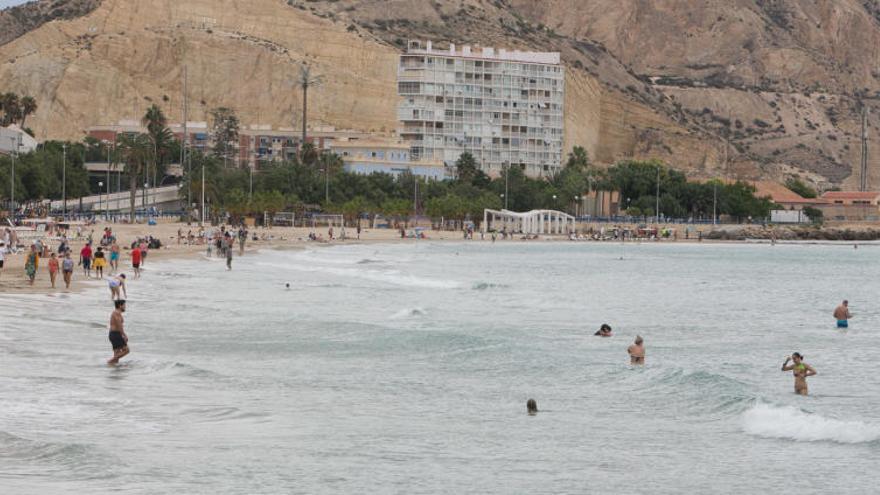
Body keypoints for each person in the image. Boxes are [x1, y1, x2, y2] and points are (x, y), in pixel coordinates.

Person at [107, 299, 129, 365]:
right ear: (120, 306)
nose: (125, 307)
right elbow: (119, 325)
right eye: (124, 305)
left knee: (117, 354)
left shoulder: (116, 313)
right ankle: (110, 362)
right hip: (115, 334)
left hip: (113, 334)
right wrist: (124, 335)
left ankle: (115, 371)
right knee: (126, 350)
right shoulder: (116, 313)